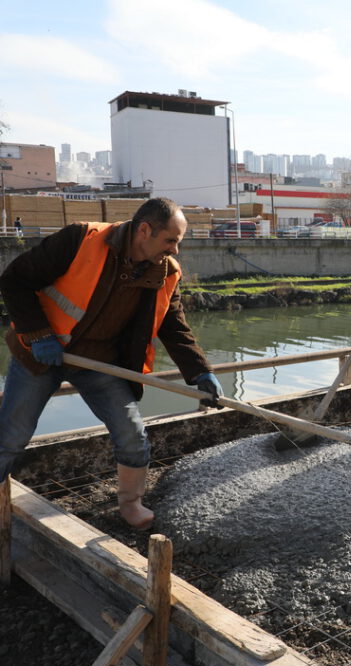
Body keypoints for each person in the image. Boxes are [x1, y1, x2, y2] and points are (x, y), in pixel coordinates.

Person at [0, 197, 222, 529]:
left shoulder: (165, 272)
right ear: (145, 230)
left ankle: (131, 503)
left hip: (98, 362)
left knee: (132, 434)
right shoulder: (81, 239)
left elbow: (173, 326)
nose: (175, 250)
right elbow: (14, 279)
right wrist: (38, 334)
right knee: (12, 434)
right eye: (171, 241)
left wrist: (200, 370)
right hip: (41, 354)